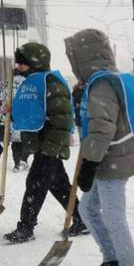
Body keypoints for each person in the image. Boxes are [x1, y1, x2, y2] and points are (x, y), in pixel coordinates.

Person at [65, 29, 134, 266]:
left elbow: (102, 129)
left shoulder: (102, 85)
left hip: (112, 160)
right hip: (113, 157)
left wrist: (89, 164)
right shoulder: (105, 80)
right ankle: (113, 259)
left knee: (114, 216)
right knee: (87, 209)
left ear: (83, 58)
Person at [3, 43, 87, 244]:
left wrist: (50, 149)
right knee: (58, 185)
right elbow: (33, 113)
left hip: (50, 145)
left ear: (34, 62)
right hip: (44, 144)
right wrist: (13, 113)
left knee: (35, 184)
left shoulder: (51, 83)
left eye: (22, 63)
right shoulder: (34, 82)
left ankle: (26, 227)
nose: (18, 66)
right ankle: (82, 219)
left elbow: (62, 120)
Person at [0, 73, 29, 172]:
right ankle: (21, 161)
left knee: (11, 141)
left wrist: (4, 110)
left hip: (9, 119)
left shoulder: (7, 85)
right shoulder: (28, 86)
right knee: (22, 141)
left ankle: (18, 163)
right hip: (23, 119)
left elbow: (2, 101)